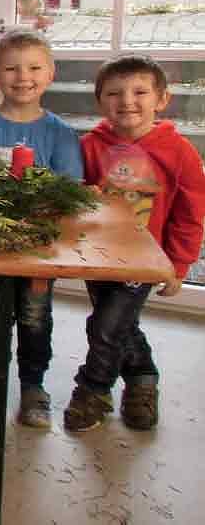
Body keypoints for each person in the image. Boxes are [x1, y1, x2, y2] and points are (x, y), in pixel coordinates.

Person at [64, 56, 205, 432]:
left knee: (105, 326)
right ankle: (143, 379)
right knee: (121, 325)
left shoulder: (180, 152)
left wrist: (178, 265)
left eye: (140, 92)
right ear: (100, 101)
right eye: (114, 93)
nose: (127, 101)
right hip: (98, 257)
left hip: (144, 259)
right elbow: (74, 196)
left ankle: (93, 389)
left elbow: (190, 215)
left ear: (162, 99)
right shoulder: (89, 146)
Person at [0, 29, 83, 428]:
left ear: (50, 73)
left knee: (34, 316)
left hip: (37, 249)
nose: (22, 77)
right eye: (11, 68)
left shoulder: (60, 133)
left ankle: (33, 386)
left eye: (34, 68)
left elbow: (71, 193)